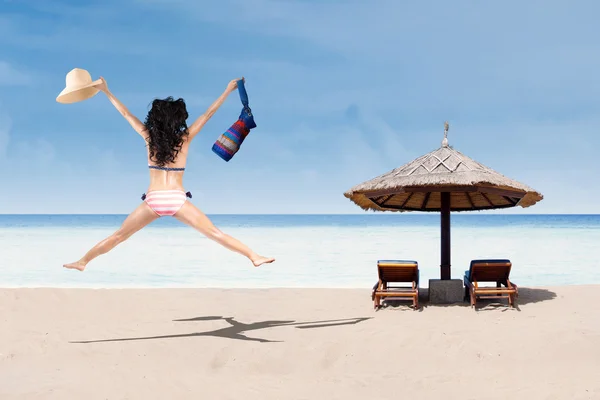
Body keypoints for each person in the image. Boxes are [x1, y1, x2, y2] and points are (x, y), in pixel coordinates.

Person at [63, 77, 275, 271]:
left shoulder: (148, 137)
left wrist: (106, 91)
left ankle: (83, 262)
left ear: (154, 120)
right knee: (215, 234)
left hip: (153, 200)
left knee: (118, 236)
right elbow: (208, 114)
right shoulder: (185, 138)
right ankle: (254, 256)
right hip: (177, 199)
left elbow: (126, 114)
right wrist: (228, 89)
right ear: (178, 119)